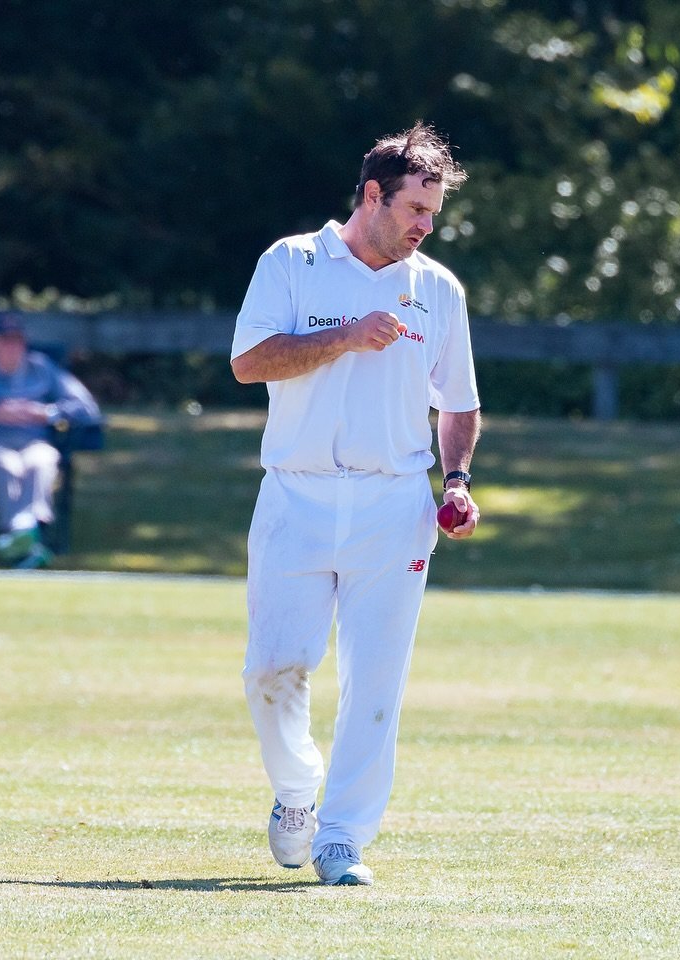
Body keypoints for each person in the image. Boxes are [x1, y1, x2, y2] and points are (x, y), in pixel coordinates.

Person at [230, 122, 482, 887]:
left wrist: (458, 481)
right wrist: (346, 334)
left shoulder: (438, 288)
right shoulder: (293, 261)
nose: (425, 227)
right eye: (414, 208)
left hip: (393, 502)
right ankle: (298, 795)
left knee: (376, 681)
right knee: (274, 670)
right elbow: (247, 362)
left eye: (433, 214)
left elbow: (460, 402)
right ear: (373, 195)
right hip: (295, 493)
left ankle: (342, 840)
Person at [0, 312, 101, 569]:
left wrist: (46, 413)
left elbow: (86, 407)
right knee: (7, 466)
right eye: (6, 340)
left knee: (41, 461)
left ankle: (18, 539)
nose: (13, 347)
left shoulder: (42, 368)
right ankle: (26, 537)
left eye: (18, 340)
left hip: (34, 440)